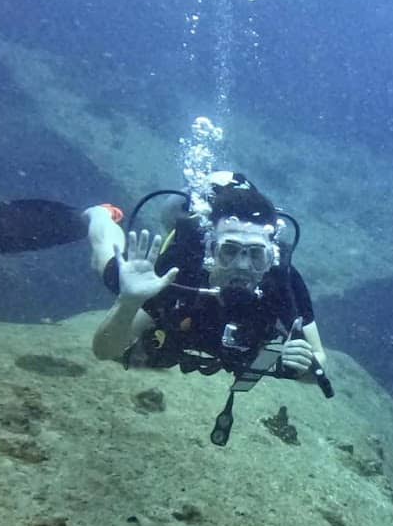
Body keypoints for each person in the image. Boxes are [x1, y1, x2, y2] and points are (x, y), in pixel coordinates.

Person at [88, 172, 331, 443]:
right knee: (108, 268)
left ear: (271, 255)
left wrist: (306, 367)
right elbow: (104, 351)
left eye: (255, 254)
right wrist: (128, 301)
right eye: (229, 250)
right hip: (187, 245)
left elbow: (319, 362)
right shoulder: (179, 272)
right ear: (209, 249)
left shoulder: (283, 283)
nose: (241, 266)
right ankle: (99, 215)